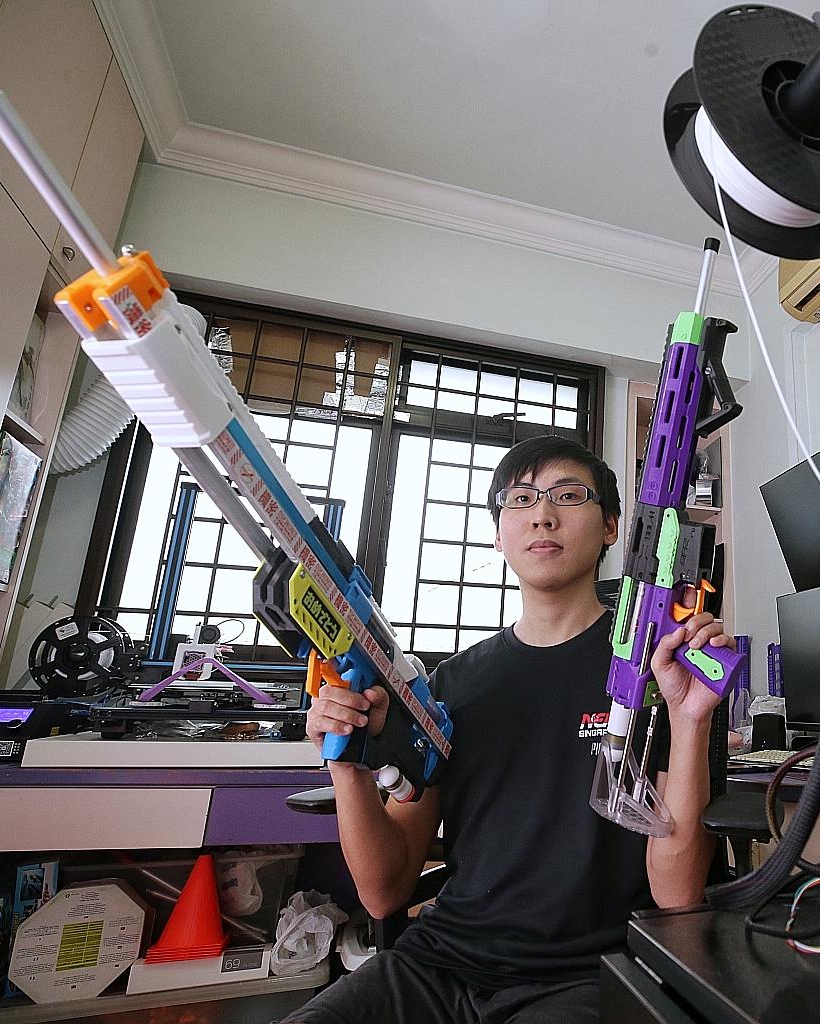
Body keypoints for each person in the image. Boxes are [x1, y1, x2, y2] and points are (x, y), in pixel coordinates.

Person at [287, 435, 734, 1024]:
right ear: (500, 533)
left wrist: (692, 718)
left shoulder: (659, 670)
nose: (542, 514)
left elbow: (676, 897)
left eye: (569, 496)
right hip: (439, 964)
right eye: (520, 499)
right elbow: (386, 890)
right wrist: (347, 766)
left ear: (611, 527)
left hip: (588, 975)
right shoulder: (452, 685)